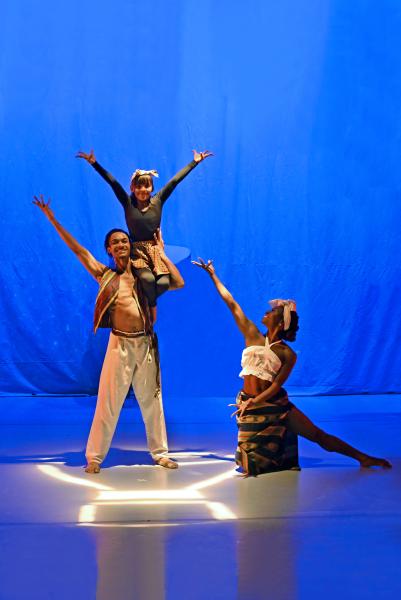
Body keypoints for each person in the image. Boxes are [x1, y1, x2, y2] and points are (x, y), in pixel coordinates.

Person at [193, 258, 392, 476]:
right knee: (250, 461)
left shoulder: (287, 354)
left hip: (273, 404)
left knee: (318, 436)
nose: (266, 314)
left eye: (270, 313)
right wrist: (212, 274)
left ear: (279, 322)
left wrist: (254, 401)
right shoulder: (252, 335)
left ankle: (362, 457)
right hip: (250, 404)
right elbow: (231, 303)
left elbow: (276, 385)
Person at [33, 194, 184, 472]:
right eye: (115, 242)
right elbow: (79, 251)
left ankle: (160, 452)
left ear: (130, 245)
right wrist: (52, 219)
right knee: (108, 401)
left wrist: (160, 253)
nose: (121, 244)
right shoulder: (106, 276)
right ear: (110, 251)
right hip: (119, 345)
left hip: (146, 344)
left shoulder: (145, 277)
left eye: (124, 240)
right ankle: (95, 457)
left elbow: (177, 282)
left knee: (152, 400)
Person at [76, 148, 213, 322]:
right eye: (138, 186)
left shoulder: (158, 200)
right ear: (132, 188)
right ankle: (151, 309)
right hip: (138, 251)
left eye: (146, 185)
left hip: (155, 248)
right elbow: (113, 183)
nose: (143, 190)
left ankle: (147, 300)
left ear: (152, 187)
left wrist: (195, 162)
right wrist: (95, 164)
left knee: (163, 283)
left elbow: (175, 181)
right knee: (148, 279)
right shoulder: (128, 203)